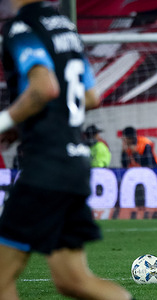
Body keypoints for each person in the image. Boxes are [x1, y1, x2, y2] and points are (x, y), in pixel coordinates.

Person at [0, 1, 133, 299]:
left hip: (45, 167)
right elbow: (90, 96)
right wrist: (21, 124)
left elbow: (44, 88)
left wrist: (6, 119)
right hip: (74, 165)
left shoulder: (22, 27)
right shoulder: (66, 29)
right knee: (73, 281)